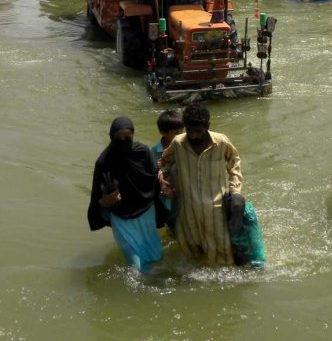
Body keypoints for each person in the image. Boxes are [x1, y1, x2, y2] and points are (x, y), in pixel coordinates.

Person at [159, 102, 242, 265]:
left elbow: (234, 164)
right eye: (190, 131)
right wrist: (163, 181)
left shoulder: (221, 142)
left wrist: (235, 191)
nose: (194, 135)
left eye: (199, 131)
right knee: (192, 256)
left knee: (224, 255)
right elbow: (165, 163)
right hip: (188, 210)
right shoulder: (177, 143)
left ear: (207, 127)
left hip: (216, 210)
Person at [88, 116, 164, 273]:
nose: (123, 139)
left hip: (146, 212)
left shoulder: (142, 152)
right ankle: (139, 291)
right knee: (134, 264)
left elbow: (153, 177)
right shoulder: (104, 161)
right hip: (122, 218)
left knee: (155, 257)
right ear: (111, 136)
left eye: (127, 135)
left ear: (133, 134)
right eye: (119, 136)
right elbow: (97, 196)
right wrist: (106, 201)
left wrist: (163, 181)